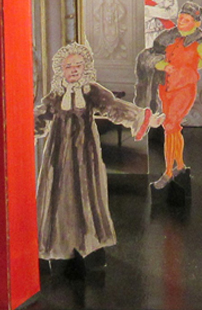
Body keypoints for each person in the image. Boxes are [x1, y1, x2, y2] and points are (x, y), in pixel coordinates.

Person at [34, 42, 158, 265]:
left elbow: (113, 107)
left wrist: (142, 118)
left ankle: (86, 242)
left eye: (78, 66)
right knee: (59, 192)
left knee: (84, 191)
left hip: (85, 154)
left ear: (85, 68)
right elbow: (39, 117)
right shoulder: (56, 96)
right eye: (69, 66)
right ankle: (59, 244)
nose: (74, 70)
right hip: (58, 155)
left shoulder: (91, 92)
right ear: (61, 70)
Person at [150, 1, 202, 188]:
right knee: (173, 127)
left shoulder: (200, 41)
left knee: (170, 125)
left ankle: (168, 172)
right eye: (180, 19)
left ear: (196, 23)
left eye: (186, 20)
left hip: (184, 88)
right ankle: (180, 164)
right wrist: (164, 66)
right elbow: (153, 57)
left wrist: (187, 70)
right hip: (166, 86)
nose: (180, 22)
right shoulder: (169, 37)